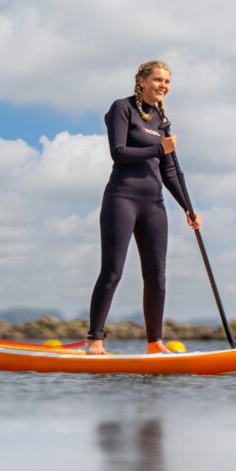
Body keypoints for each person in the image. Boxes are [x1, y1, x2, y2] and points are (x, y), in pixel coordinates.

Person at [86, 61, 200, 355]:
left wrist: (188, 207)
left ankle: (155, 344)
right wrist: (160, 147)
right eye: (158, 80)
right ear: (141, 80)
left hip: (154, 205)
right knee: (113, 269)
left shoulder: (162, 121)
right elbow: (119, 152)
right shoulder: (122, 108)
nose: (163, 86)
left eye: (167, 82)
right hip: (122, 199)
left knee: (157, 274)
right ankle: (95, 340)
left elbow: (171, 171)